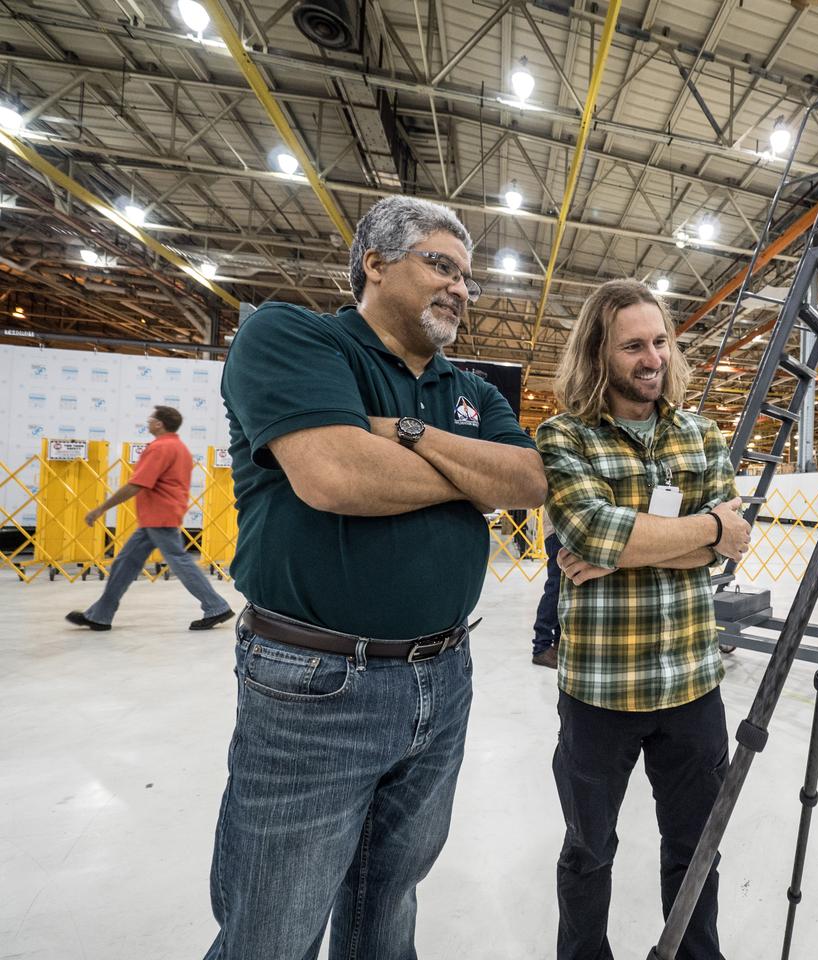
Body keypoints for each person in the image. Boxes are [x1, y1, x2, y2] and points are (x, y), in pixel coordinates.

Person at [206, 196, 546, 958]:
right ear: (376, 262)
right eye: (441, 264)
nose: (460, 287)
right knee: (273, 927)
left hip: (444, 676)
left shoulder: (472, 389)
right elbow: (335, 475)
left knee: (386, 909)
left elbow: (527, 479)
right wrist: (468, 470)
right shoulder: (292, 336)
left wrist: (408, 434)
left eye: (468, 277)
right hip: (315, 685)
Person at [537, 278, 751, 960]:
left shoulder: (702, 432)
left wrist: (620, 550)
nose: (651, 358)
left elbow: (734, 541)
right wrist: (700, 531)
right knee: (588, 850)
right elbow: (591, 528)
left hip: (693, 685)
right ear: (599, 354)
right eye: (633, 346)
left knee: (697, 851)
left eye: (660, 342)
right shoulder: (563, 436)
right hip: (601, 690)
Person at [66, 405, 234, 632]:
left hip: (159, 515)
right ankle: (100, 615)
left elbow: (136, 484)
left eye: (151, 419)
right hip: (159, 515)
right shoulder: (179, 447)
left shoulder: (159, 448)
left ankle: (216, 606)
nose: (148, 422)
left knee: (179, 561)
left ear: (159, 423)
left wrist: (101, 509)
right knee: (124, 564)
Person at [530, 511, 563, 668]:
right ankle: (541, 646)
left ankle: (558, 643)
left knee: (562, 588)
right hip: (558, 531)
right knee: (556, 587)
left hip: (561, 529)